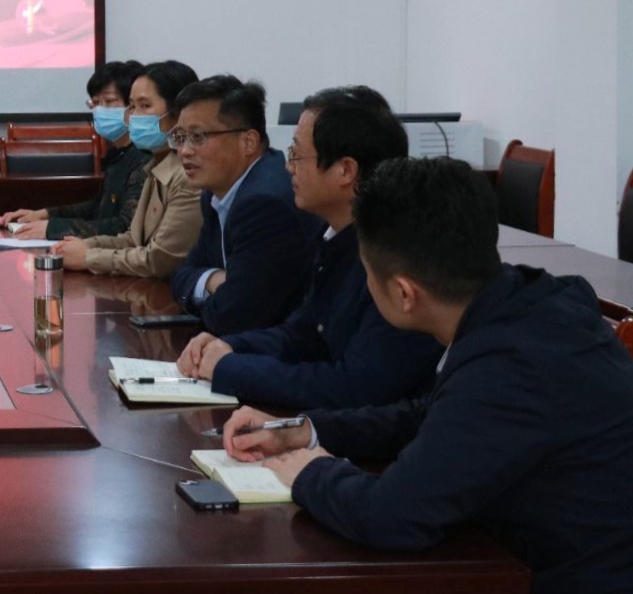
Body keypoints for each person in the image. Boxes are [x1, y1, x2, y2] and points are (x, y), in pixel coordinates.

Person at [223, 157, 633, 594]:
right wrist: (304, 431)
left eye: (367, 274)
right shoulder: (525, 302)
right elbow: (431, 416)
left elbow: (391, 516)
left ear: (404, 293)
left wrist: (311, 473)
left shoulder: (511, 366)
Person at [176, 86, 441, 408]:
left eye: (297, 155)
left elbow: (355, 387)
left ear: (345, 170)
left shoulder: (395, 256)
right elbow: (304, 334)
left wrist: (231, 369)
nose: (288, 167)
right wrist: (230, 347)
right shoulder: (336, 239)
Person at [167, 75, 323, 335]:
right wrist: (214, 280)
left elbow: (232, 317)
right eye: (180, 137)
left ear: (248, 142)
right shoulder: (216, 193)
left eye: (198, 137)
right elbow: (180, 275)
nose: (184, 151)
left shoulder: (265, 203)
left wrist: (211, 287)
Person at [53, 60, 204, 276]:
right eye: (132, 106)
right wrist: (86, 245)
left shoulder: (187, 175)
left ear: (177, 114)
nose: (133, 116)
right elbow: (133, 239)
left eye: (145, 106)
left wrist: (88, 257)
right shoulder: (155, 166)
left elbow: (159, 259)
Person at [1, 61, 151, 240]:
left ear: (132, 106)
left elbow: (125, 226)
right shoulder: (118, 155)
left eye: (109, 101)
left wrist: (51, 229)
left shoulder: (144, 157)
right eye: (96, 103)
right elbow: (98, 208)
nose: (100, 110)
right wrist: (44, 215)